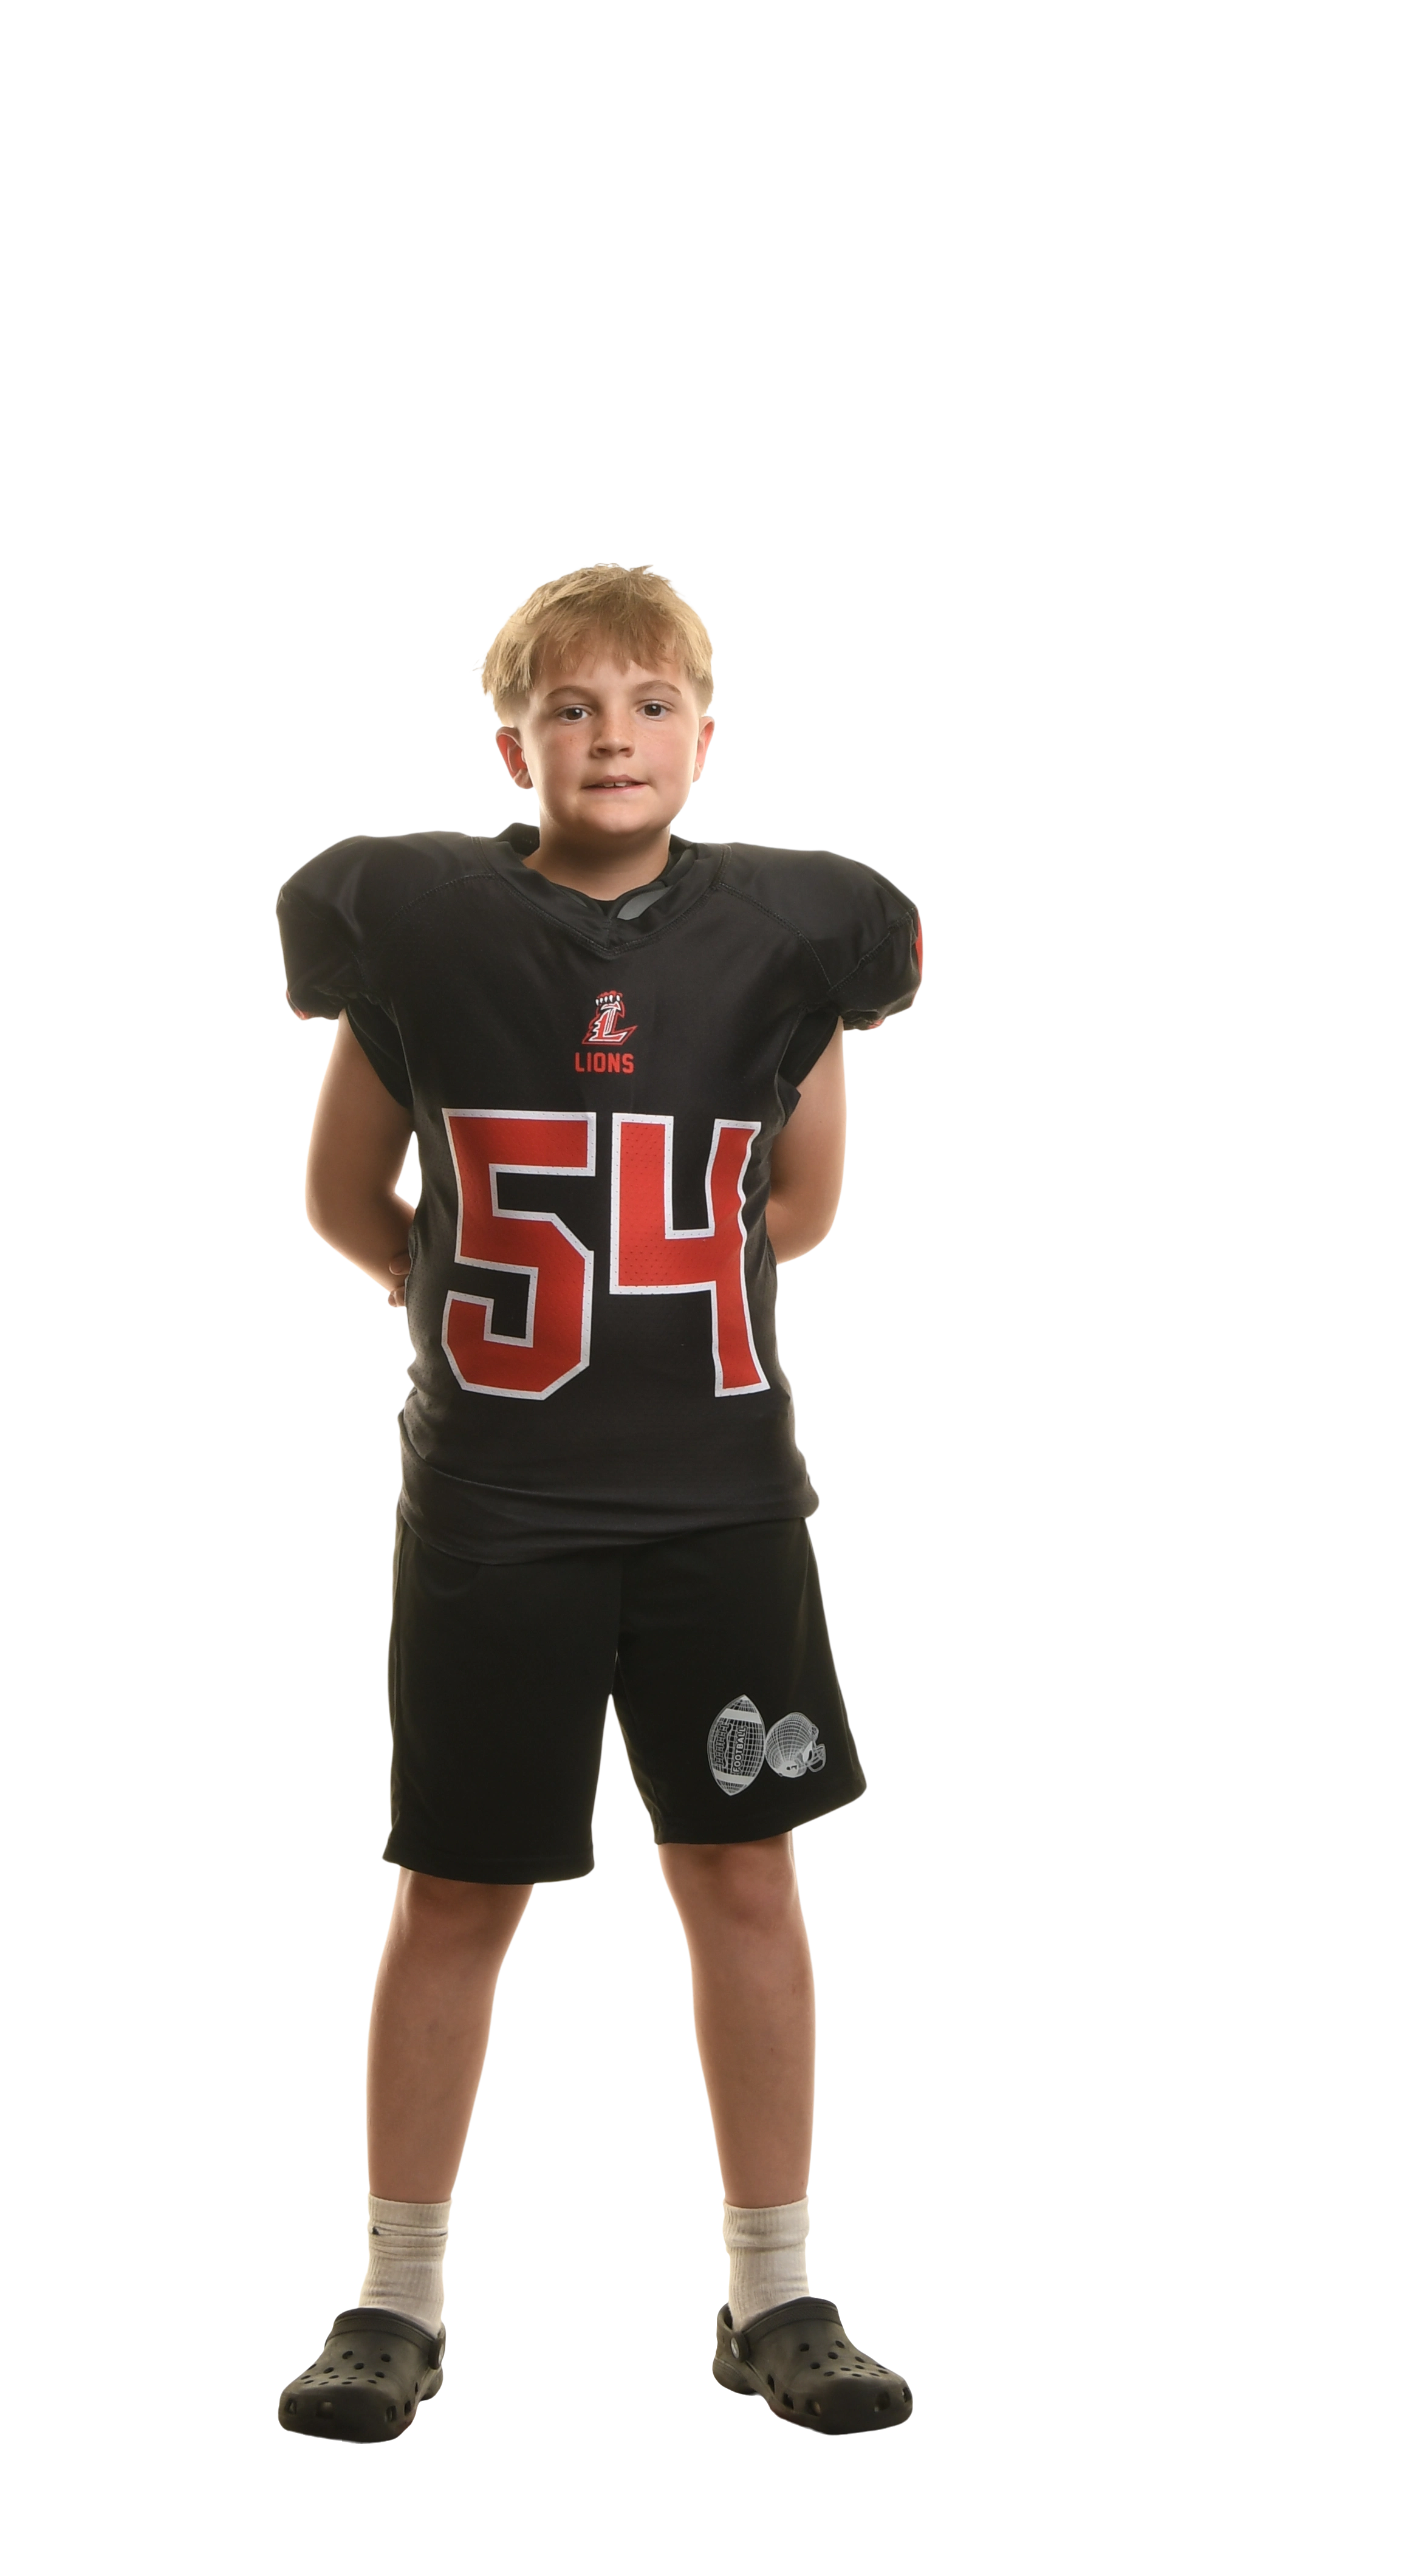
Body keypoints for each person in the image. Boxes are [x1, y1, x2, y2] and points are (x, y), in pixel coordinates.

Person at [272, 561, 921, 2441]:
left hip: (717, 1495)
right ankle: (394, 2294)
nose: (613, 736)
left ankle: (776, 2287)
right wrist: (466, 1300)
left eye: (650, 704)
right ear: (512, 745)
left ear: (707, 734)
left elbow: (799, 1205)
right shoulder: (420, 929)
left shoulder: (787, 942)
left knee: (745, 1871)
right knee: (458, 1884)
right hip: (496, 1498)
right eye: (569, 708)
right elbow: (344, 1197)